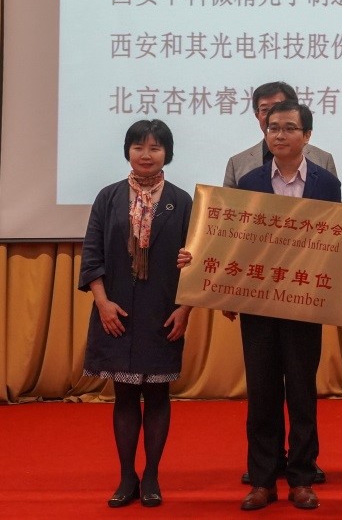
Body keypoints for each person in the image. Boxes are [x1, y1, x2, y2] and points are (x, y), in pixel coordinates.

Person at [231, 100, 342, 512]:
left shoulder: (327, 184)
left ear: (307, 135)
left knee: (301, 392)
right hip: (258, 306)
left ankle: (302, 478)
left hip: (305, 304)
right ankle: (262, 481)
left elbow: (333, 242)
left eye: (290, 128)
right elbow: (235, 243)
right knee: (261, 394)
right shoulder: (249, 182)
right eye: (273, 127)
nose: (280, 134)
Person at [78, 119, 193, 508]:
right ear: (127, 151)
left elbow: (196, 263)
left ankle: (152, 476)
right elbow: (92, 254)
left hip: (163, 313)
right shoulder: (108, 197)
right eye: (138, 147)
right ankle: (127, 476)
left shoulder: (182, 201)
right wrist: (102, 302)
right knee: (125, 396)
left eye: (155, 148)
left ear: (167, 154)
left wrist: (185, 308)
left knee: (158, 395)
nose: (146, 155)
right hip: (117, 312)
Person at [224, 80, 337, 188]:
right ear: (257, 115)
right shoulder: (237, 164)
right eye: (264, 110)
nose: (272, 115)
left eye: (278, 108)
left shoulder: (323, 160)